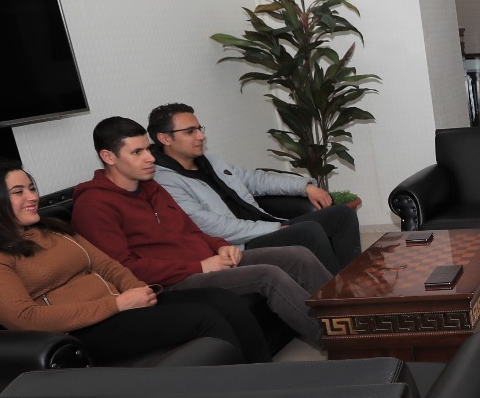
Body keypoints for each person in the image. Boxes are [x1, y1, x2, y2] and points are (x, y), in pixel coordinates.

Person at [0, 157, 272, 364]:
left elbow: (107, 265)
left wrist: (137, 293)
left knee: (224, 300)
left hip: (122, 307)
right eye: (18, 192)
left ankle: (268, 379)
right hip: (81, 332)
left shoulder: (51, 229)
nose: (32, 197)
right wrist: (118, 305)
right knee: (203, 318)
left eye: (31, 188)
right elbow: (26, 319)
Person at [71, 116, 332, 351]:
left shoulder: (152, 187)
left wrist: (220, 245)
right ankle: (339, 341)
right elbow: (123, 269)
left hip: (206, 262)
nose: (150, 158)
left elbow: (191, 229)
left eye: (148, 149)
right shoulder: (93, 205)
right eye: (137, 152)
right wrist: (199, 266)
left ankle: (350, 318)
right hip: (171, 281)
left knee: (298, 256)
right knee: (268, 275)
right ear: (108, 157)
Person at [147, 102, 361, 274]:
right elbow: (211, 226)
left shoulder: (210, 162)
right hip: (238, 245)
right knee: (309, 232)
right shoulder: (165, 181)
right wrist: (273, 228)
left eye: (199, 129)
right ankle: (335, 301)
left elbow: (256, 180)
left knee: (342, 214)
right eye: (189, 131)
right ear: (164, 138)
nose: (200, 136)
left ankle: (351, 284)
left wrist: (304, 187)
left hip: (264, 228)